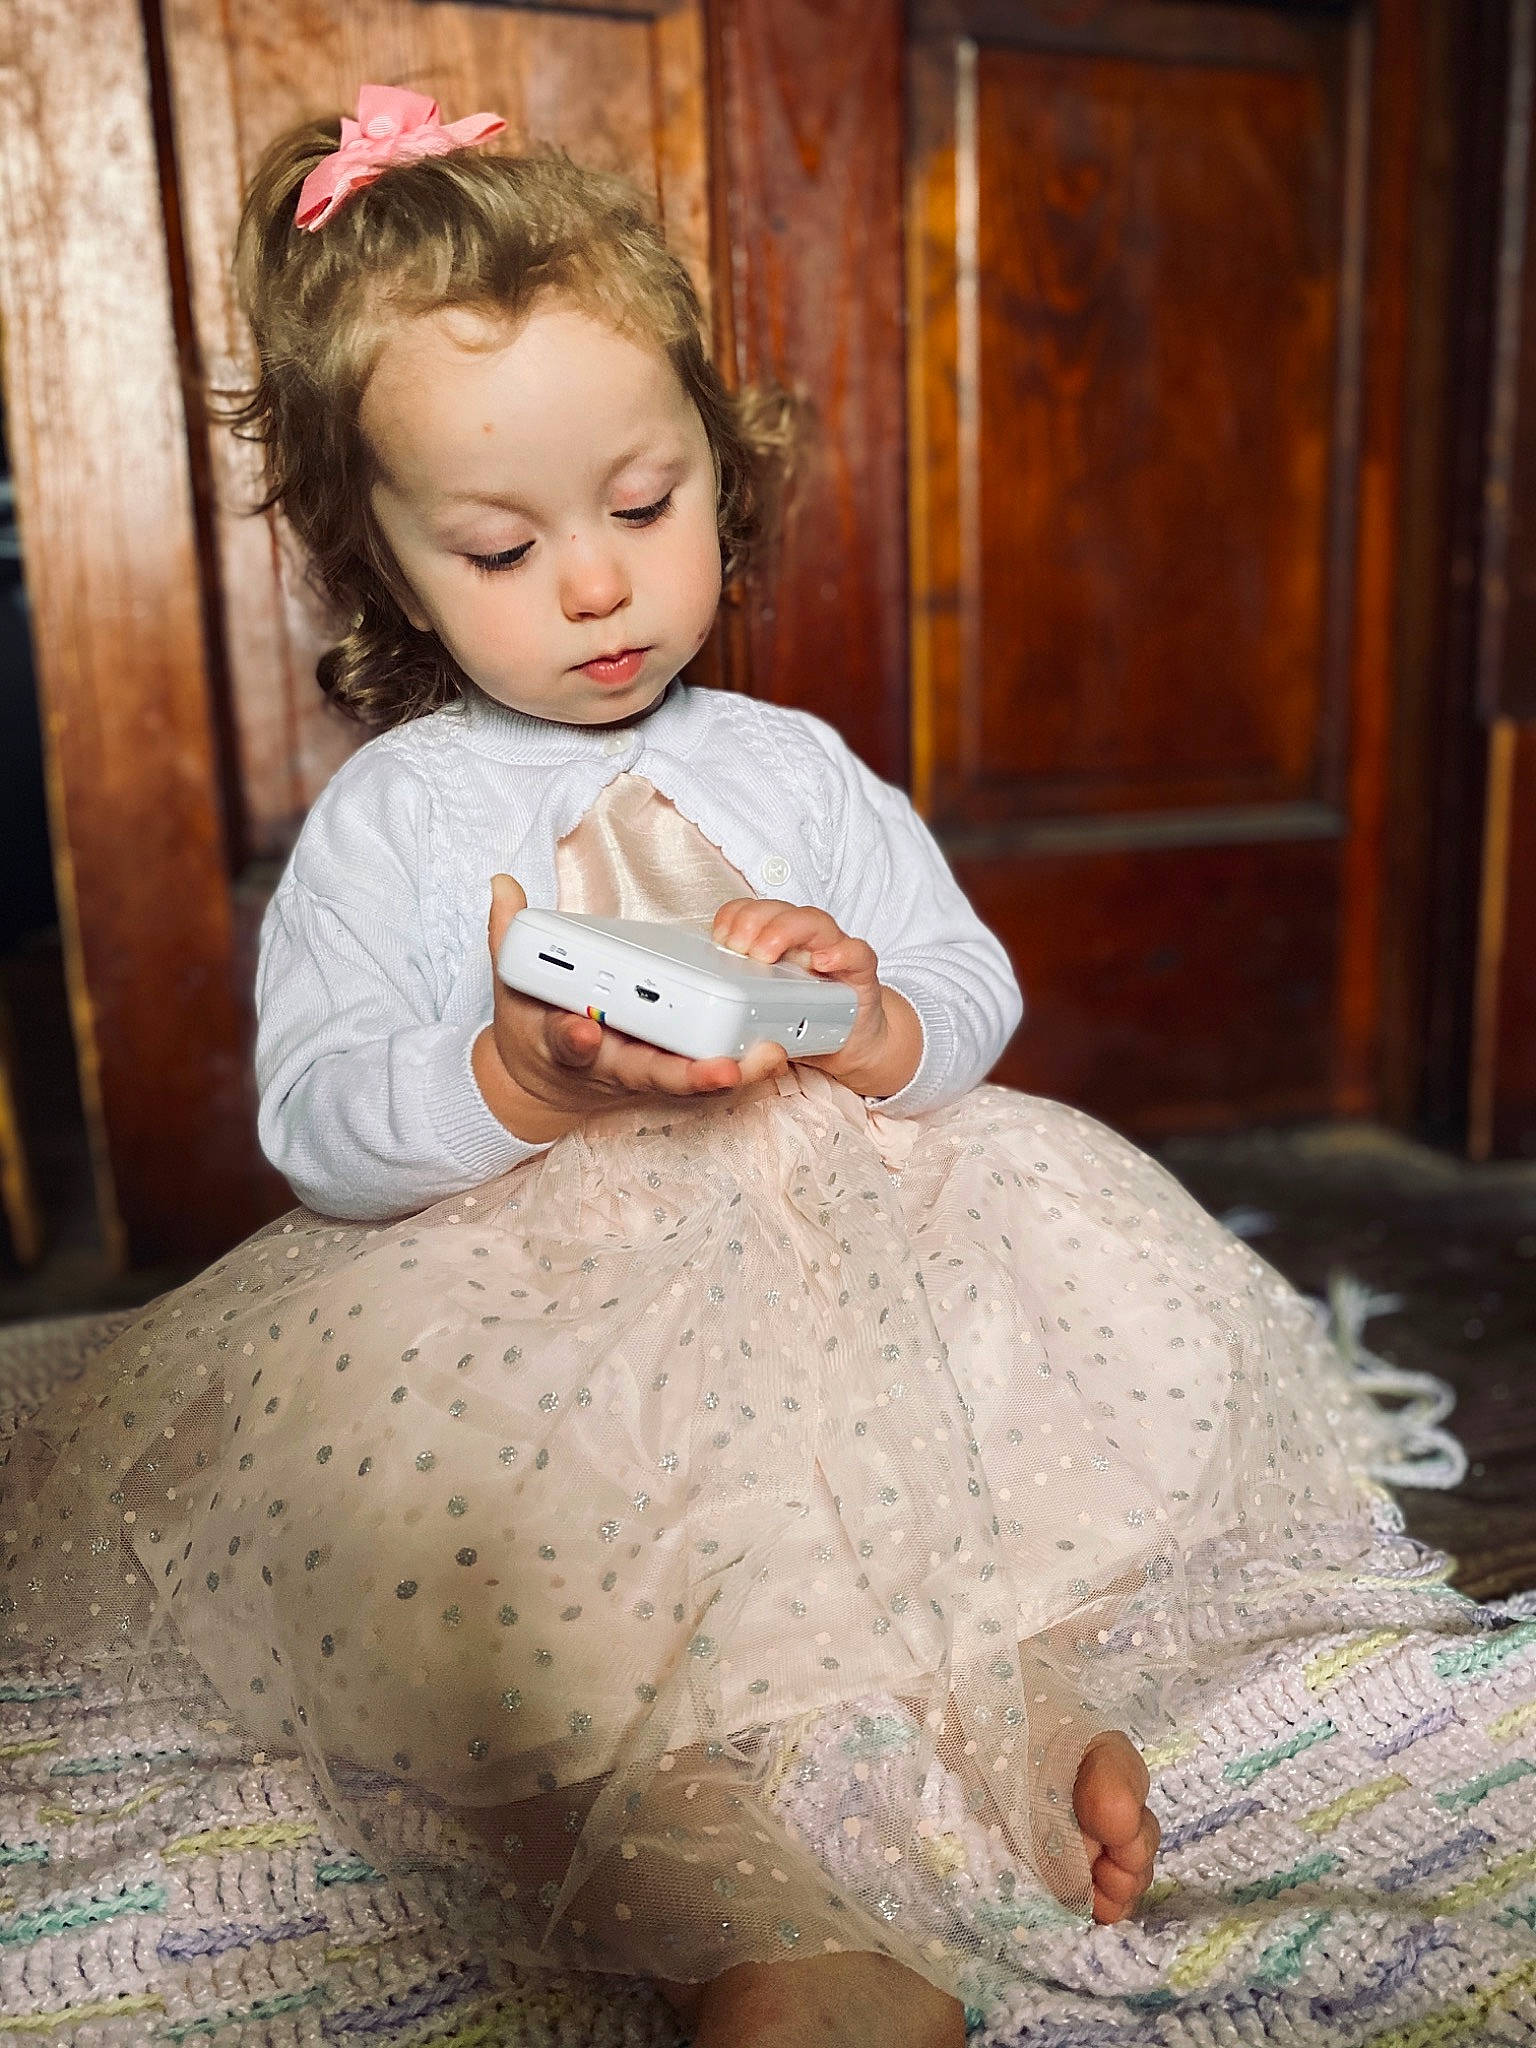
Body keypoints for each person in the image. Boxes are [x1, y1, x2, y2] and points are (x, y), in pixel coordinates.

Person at [0, 85, 1411, 2047]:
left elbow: (969, 994)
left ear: (719, 480)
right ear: (388, 565)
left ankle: (1039, 1729)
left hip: (844, 1258)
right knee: (559, 1623)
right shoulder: (397, 818)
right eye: (502, 546)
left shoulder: (793, 766)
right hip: (545, 1329)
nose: (592, 584)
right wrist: (519, 1081)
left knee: (973, 1472)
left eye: (643, 509)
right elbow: (318, 1125)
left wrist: (863, 1002)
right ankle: (743, 1906)